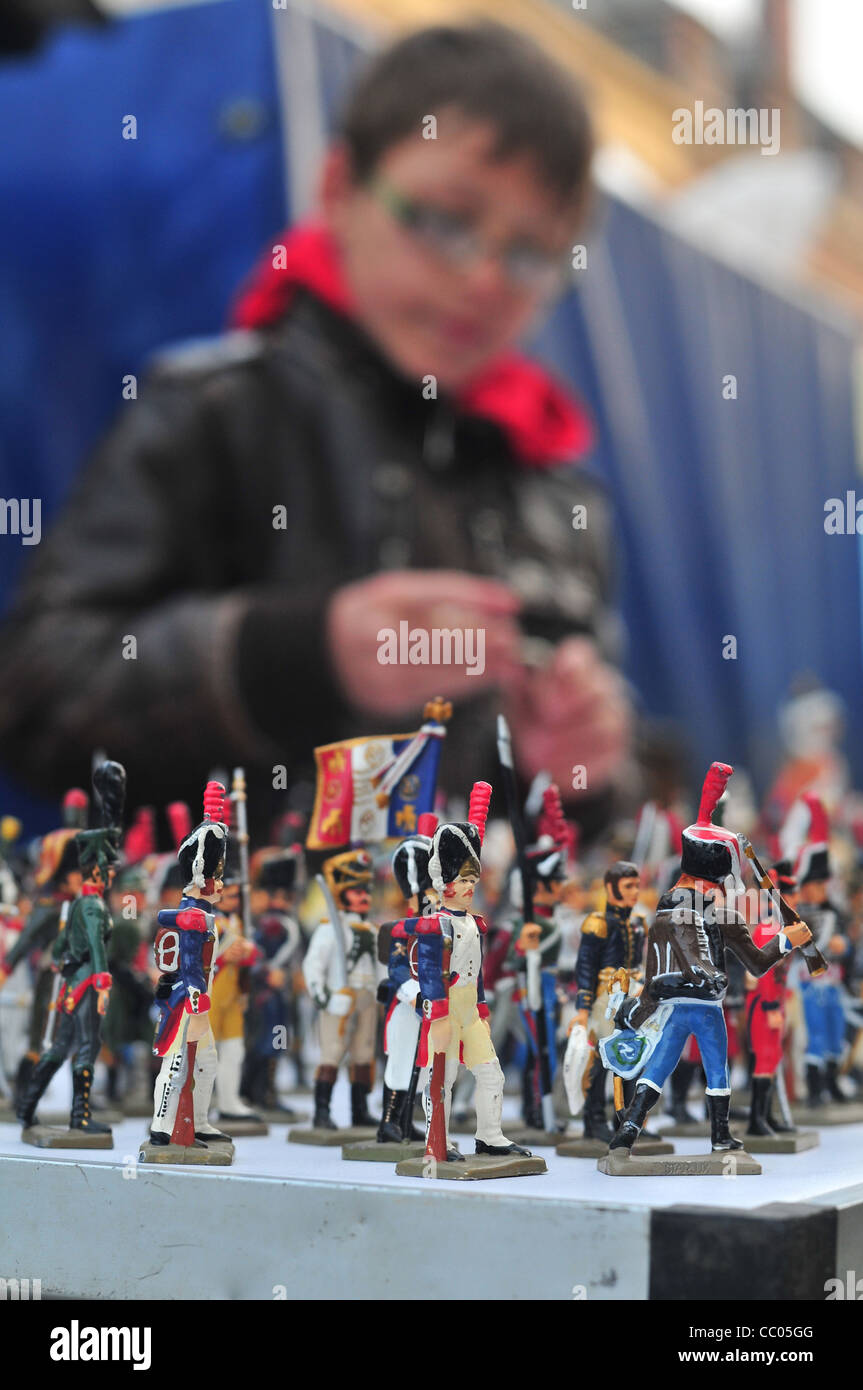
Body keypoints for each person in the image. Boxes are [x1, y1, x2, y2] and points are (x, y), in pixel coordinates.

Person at [0, 21, 631, 840]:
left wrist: (574, 774)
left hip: (457, 956)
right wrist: (296, 658)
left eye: (530, 254)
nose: (482, 278)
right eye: (445, 220)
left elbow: (577, 822)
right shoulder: (217, 410)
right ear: (338, 186)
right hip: (219, 949)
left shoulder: (560, 500)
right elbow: (39, 699)